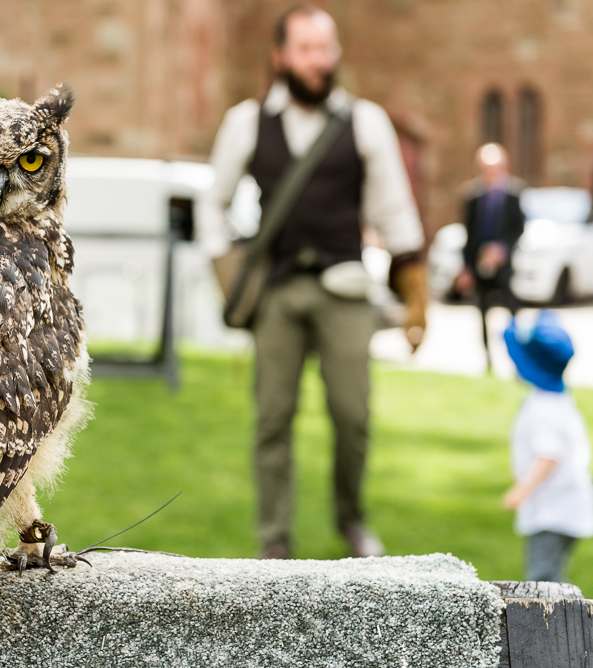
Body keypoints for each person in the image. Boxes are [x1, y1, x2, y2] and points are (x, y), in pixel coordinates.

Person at [197, 4, 428, 559]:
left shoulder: (365, 121)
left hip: (346, 289)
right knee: (272, 419)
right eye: (306, 48)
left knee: (353, 415)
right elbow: (213, 202)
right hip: (277, 292)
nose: (319, 60)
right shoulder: (246, 122)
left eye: (326, 48)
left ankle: (351, 519)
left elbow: (395, 211)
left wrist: (417, 296)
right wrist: (228, 272)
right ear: (280, 56)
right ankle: (274, 540)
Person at [502, 311, 593, 582]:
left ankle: (554, 624)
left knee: (544, 578)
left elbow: (548, 456)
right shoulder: (556, 400)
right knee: (550, 572)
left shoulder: (543, 409)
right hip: (566, 506)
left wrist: (521, 490)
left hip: (552, 511)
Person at [455, 142, 525, 370]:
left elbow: (519, 228)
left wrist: (501, 249)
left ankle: (518, 359)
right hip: (479, 263)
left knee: (512, 311)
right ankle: (488, 360)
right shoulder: (472, 196)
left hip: (504, 264)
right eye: (484, 169)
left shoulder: (514, 194)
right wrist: (466, 267)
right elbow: (468, 234)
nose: (490, 174)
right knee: (482, 311)